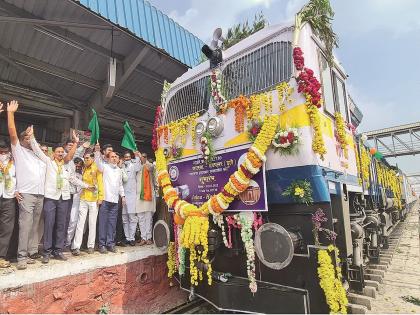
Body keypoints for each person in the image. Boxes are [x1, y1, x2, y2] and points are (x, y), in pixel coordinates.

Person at [28, 127, 83, 264]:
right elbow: (37, 150)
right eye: (58, 151)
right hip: (51, 198)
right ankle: (46, 252)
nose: (60, 153)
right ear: (53, 153)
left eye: (62, 152)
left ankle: (57, 251)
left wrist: (76, 143)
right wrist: (32, 137)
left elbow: (71, 160)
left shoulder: (65, 165)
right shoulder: (48, 162)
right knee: (49, 224)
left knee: (61, 225)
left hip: (64, 198)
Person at [7, 100, 46, 270]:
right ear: (22, 140)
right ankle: (21, 257)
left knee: (35, 226)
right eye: (28, 138)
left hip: (40, 195)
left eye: (32, 138)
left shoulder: (38, 156)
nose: (30, 140)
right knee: (25, 226)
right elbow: (12, 133)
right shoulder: (19, 150)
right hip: (27, 194)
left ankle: (31, 253)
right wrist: (10, 113)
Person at [94, 145, 126, 253]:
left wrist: (123, 196)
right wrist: (97, 151)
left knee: (112, 223)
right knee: (103, 222)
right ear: (108, 158)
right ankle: (102, 244)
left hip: (115, 201)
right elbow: (97, 162)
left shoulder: (119, 170)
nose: (114, 158)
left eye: (116, 157)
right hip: (105, 200)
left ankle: (110, 243)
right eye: (112, 156)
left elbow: (120, 185)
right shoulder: (104, 167)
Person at [71, 152, 104, 255]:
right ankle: (76, 247)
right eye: (85, 158)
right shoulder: (83, 168)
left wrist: (100, 197)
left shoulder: (97, 168)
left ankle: (91, 246)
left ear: (93, 158)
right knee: (80, 223)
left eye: (88, 158)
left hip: (94, 200)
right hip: (83, 198)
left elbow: (100, 183)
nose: (86, 160)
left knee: (92, 223)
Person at [0, 137, 17, 269]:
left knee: (7, 229)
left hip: (9, 197)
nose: (3, 154)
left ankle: (1, 257)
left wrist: (17, 190)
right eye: (0, 152)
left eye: (5, 151)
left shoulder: (15, 161)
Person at [136, 153, 156, 246]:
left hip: (148, 195)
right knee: (141, 218)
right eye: (141, 156)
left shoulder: (150, 166)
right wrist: (138, 159)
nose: (142, 158)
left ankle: (148, 238)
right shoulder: (136, 166)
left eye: (144, 156)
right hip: (139, 196)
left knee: (148, 217)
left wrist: (143, 160)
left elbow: (149, 168)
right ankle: (143, 238)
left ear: (146, 158)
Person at [121, 151, 141, 246]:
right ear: (123, 158)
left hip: (132, 196)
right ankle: (127, 237)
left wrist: (137, 156)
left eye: (129, 157)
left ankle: (132, 237)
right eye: (126, 157)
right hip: (123, 196)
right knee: (124, 218)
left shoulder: (133, 166)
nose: (127, 159)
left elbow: (138, 167)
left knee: (132, 218)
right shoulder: (121, 167)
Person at [65, 157, 85, 249]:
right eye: (76, 164)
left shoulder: (84, 174)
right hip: (69, 198)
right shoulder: (70, 172)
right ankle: (66, 242)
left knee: (76, 223)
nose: (78, 166)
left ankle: (71, 243)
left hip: (80, 199)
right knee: (69, 221)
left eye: (80, 165)